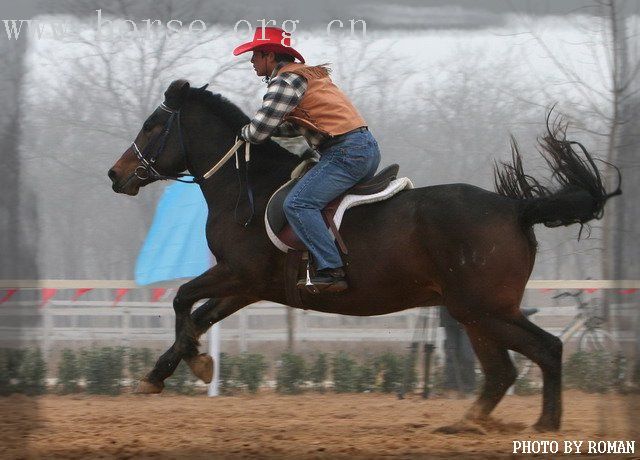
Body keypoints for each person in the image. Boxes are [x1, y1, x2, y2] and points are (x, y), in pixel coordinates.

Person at [233, 27, 381, 293]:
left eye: (255, 55)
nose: (252, 61)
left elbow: (256, 132)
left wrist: (238, 130)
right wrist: (271, 129)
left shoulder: (284, 81)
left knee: (299, 203)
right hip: (362, 148)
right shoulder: (304, 77)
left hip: (345, 152)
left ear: (269, 56)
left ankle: (331, 270)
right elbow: (295, 128)